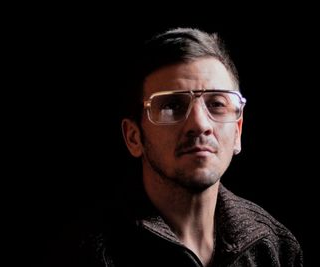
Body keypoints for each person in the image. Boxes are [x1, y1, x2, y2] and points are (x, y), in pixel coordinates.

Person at [76, 27, 303, 267]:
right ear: (133, 137)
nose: (200, 124)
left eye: (216, 104)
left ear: (237, 131)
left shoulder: (276, 248)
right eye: (172, 105)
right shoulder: (87, 254)